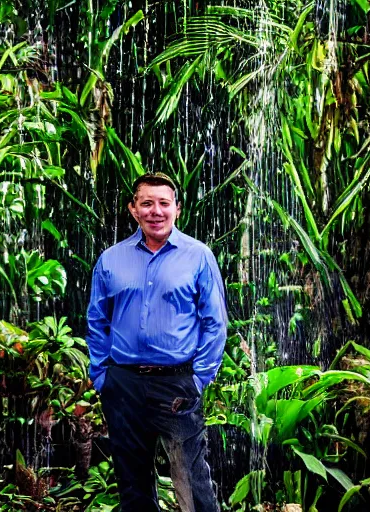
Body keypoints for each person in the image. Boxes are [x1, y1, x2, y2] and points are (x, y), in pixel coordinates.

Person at [86, 172, 227, 512]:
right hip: (124, 384)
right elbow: (97, 320)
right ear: (133, 210)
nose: (155, 211)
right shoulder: (111, 259)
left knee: (191, 482)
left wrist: (199, 377)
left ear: (177, 209)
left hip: (176, 383)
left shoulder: (198, 256)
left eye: (163, 203)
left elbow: (215, 322)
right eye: (146, 203)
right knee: (132, 483)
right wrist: (102, 375)